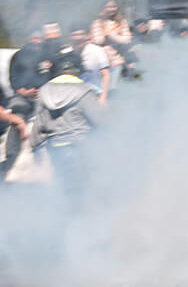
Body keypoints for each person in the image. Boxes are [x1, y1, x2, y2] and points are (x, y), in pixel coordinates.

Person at [30, 53, 105, 189]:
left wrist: (34, 148)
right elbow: (99, 120)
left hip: (55, 148)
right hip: (81, 147)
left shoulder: (44, 91)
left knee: (63, 188)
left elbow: (38, 123)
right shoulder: (84, 90)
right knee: (83, 188)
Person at [4, 29, 51, 169]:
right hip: (22, 95)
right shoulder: (18, 56)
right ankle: (10, 155)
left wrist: (43, 91)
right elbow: (12, 78)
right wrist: (23, 91)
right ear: (29, 38)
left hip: (45, 95)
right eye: (35, 38)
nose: (37, 41)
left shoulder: (48, 56)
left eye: (40, 38)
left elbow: (53, 76)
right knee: (18, 113)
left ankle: (44, 156)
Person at [91, 0, 133, 88]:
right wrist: (115, 35)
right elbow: (98, 40)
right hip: (102, 62)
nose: (111, 9)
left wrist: (110, 34)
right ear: (103, 8)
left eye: (113, 6)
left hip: (118, 61)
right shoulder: (97, 22)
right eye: (108, 7)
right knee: (101, 88)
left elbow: (127, 40)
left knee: (114, 88)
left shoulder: (122, 22)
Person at [72, 26, 111, 105]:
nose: (78, 38)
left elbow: (106, 74)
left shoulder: (97, 50)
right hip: (75, 97)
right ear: (71, 37)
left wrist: (103, 96)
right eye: (75, 35)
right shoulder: (68, 53)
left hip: (95, 94)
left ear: (87, 36)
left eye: (81, 34)